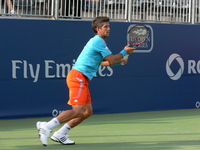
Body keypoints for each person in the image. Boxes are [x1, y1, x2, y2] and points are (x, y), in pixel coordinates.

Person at [36, 16, 136, 147]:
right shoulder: (97, 41)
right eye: (106, 27)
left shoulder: (100, 43)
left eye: (109, 26)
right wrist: (124, 52)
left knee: (87, 112)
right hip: (77, 76)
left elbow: (102, 62)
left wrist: (120, 61)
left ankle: (60, 134)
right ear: (97, 29)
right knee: (78, 111)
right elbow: (111, 59)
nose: (109, 29)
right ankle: (47, 126)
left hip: (82, 78)